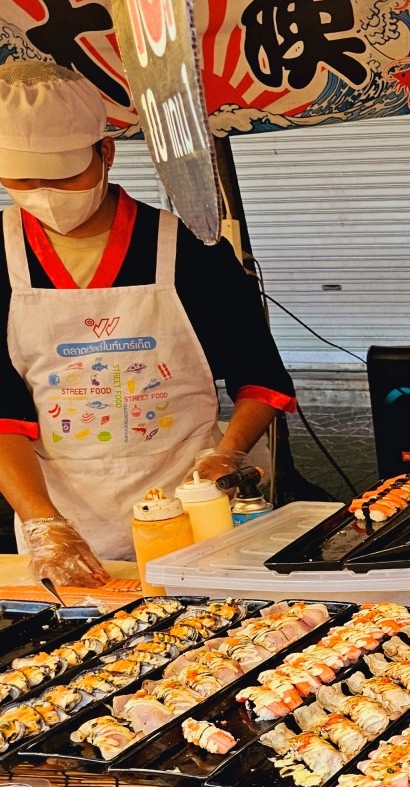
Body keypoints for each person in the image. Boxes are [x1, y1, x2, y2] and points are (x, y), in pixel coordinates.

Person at [0, 62, 297, 585]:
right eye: (23, 178)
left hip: (192, 501)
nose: (45, 193)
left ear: (106, 152)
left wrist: (228, 455)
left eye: (65, 174)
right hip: (65, 516)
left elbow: (261, 378)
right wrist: (44, 522)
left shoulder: (191, 252)